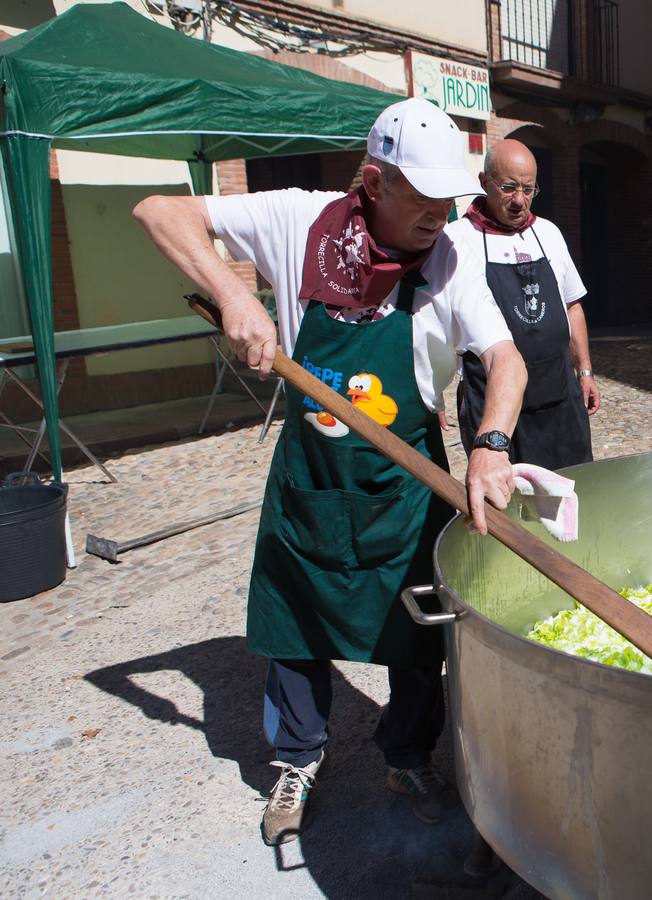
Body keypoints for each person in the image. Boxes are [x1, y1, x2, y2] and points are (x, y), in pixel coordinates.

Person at [132, 98, 527, 846]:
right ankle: (296, 759)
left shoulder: (449, 259)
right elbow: (158, 212)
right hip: (311, 474)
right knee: (293, 619)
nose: (440, 216)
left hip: (404, 486)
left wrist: (493, 442)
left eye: (451, 200)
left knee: (417, 631)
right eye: (425, 197)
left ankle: (408, 755)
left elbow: (504, 359)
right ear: (374, 183)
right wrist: (233, 294)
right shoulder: (298, 220)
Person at [447, 138, 597, 469]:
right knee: (509, 502)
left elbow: (573, 305)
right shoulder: (458, 239)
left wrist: (584, 370)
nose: (520, 200)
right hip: (495, 404)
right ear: (484, 183)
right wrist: (433, 393)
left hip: (560, 396)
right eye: (509, 187)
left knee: (576, 485)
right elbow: (436, 320)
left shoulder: (549, 233)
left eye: (528, 190)